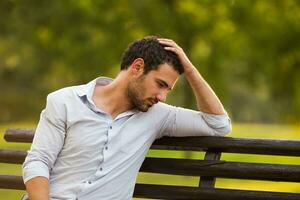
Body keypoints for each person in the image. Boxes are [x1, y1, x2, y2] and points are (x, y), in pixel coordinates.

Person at [22, 36, 231, 200]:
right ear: (137, 67)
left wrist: (190, 69)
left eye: (168, 89)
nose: (162, 97)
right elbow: (38, 161)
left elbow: (218, 124)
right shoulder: (65, 101)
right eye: (160, 84)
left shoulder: (158, 115)